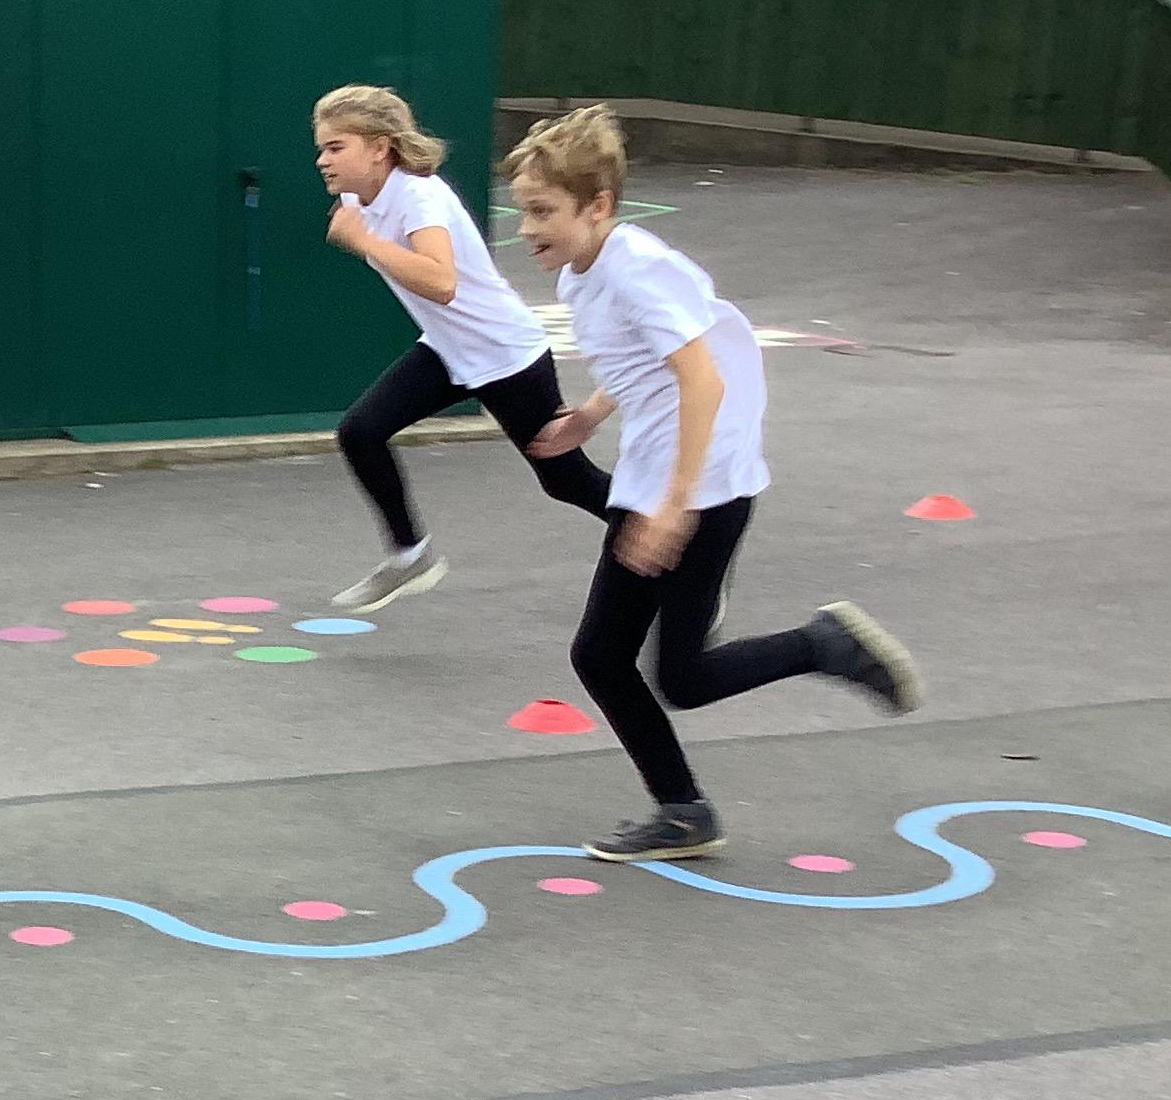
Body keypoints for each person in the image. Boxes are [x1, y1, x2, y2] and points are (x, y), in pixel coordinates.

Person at [510, 106, 920, 862]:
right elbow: (646, 361)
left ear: (598, 205)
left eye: (543, 211)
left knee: (647, 666)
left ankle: (813, 657)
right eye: (523, 212)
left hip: (698, 484)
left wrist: (674, 507)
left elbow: (702, 378)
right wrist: (592, 415)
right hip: (677, 475)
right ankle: (689, 804)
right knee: (639, 664)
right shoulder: (584, 272)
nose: (527, 228)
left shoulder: (635, 269)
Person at [313, 84, 610, 613]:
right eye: (322, 148)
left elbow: (441, 282)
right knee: (361, 432)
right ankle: (411, 556)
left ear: (379, 148)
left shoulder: (418, 197)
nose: (323, 160)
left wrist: (364, 242)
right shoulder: (360, 201)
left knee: (566, 481)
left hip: (506, 355)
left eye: (336, 147)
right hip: (448, 351)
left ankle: (681, 539)